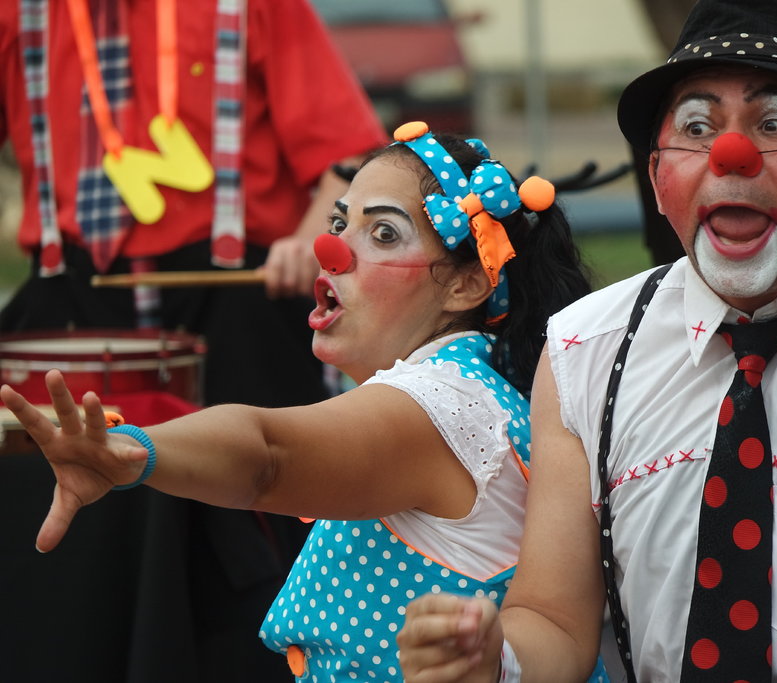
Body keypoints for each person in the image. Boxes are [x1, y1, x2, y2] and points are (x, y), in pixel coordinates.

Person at [395, 1, 777, 682]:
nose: (731, 155)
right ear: (660, 177)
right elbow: (556, 618)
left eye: (773, 124)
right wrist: (495, 660)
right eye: (697, 127)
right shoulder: (585, 350)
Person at [0, 121, 607, 682]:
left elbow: (268, 455)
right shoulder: (477, 390)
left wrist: (135, 449)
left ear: (466, 284)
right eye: (341, 222)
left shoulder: (443, 403)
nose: (333, 249)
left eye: (384, 233)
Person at [1, 3, 384, 680]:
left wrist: (305, 235)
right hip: (72, 299)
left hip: (233, 295)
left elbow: (345, 157)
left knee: (264, 517)